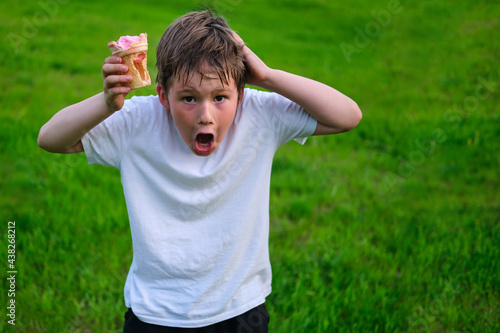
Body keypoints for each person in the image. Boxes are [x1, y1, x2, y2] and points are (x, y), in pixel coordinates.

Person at [37, 10, 362, 332]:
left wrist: (268, 76)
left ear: (241, 94)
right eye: (189, 99)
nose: (206, 115)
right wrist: (107, 103)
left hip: (239, 312)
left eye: (220, 97)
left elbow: (347, 116)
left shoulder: (258, 115)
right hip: (155, 314)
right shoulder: (137, 122)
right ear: (163, 95)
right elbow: (52, 139)